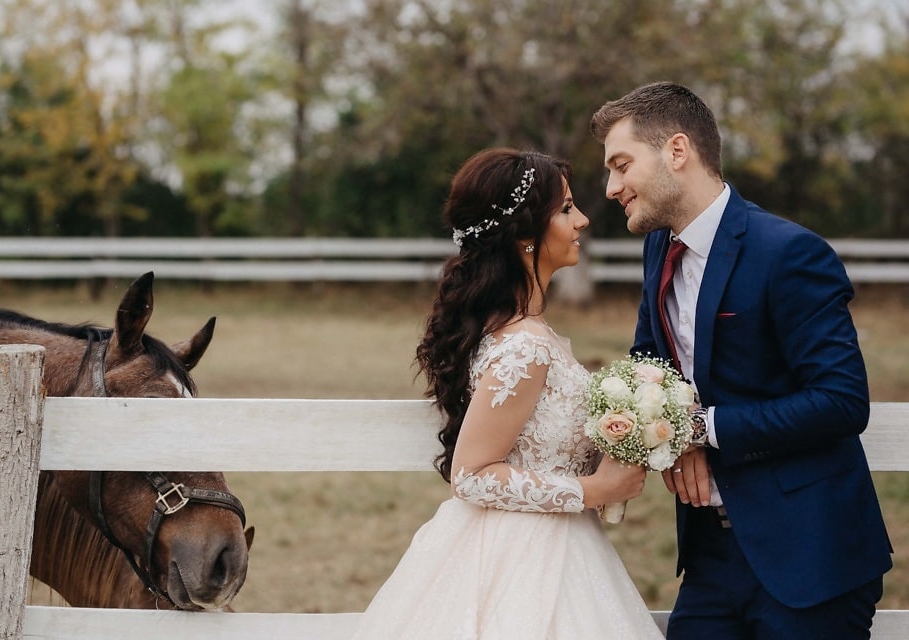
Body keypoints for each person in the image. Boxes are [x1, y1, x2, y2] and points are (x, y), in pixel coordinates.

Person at [589, 81, 893, 639]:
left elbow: (842, 401)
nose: (611, 187)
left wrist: (699, 430)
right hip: (711, 555)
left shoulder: (788, 252)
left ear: (677, 151)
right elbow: (647, 362)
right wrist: (667, 437)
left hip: (808, 557)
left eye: (621, 164)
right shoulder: (660, 248)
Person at [349, 147, 665, 639]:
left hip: (561, 543)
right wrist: (595, 489)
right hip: (527, 557)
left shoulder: (524, 331)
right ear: (524, 234)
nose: (581, 220)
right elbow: (471, 475)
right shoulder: (525, 348)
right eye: (565, 209)